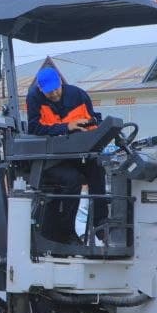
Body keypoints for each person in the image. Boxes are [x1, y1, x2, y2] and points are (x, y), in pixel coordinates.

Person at [25, 65, 109, 243]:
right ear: (40, 89)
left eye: (56, 89)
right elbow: (34, 128)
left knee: (97, 169)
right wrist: (66, 127)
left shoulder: (79, 95)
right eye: (49, 92)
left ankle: (101, 224)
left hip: (77, 154)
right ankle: (65, 233)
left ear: (61, 83)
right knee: (73, 180)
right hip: (51, 159)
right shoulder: (34, 98)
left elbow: (94, 122)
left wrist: (87, 126)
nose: (54, 95)